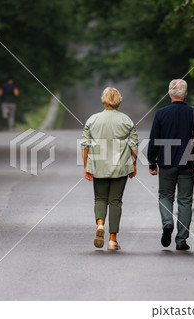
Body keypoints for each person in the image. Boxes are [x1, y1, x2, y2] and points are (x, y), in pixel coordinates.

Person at [147, 79, 194, 251]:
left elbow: (154, 140)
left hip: (166, 162)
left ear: (169, 94)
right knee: (185, 201)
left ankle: (168, 223)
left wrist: (152, 162)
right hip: (188, 162)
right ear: (186, 94)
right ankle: (181, 240)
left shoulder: (161, 113)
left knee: (165, 196)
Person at [81, 87, 139, 251]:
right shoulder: (126, 120)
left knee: (100, 198)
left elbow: (85, 144)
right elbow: (134, 145)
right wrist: (133, 164)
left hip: (98, 165)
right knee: (115, 202)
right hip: (120, 166)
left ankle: (100, 224)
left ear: (104, 100)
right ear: (118, 101)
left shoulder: (93, 120)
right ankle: (112, 240)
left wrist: (86, 165)